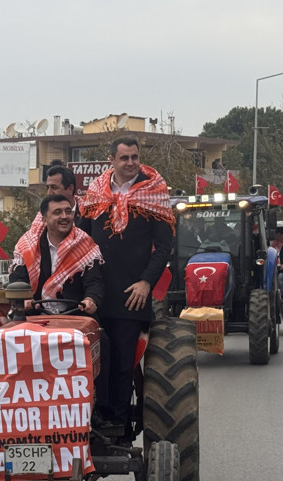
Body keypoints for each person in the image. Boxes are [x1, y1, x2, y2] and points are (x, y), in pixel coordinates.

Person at [78, 136, 174, 436]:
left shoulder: (154, 192)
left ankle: (117, 426)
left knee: (123, 362)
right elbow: (79, 242)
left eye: (134, 157)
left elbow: (164, 246)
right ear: (112, 160)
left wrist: (146, 282)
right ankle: (90, 419)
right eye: (124, 158)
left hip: (132, 294)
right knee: (92, 359)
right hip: (94, 293)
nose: (130, 163)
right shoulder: (95, 194)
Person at [9, 193, 103, 316]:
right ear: (44, 220)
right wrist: (24, 299)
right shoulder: (27, 244)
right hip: (35, 317)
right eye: (57, 212)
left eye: (68, 212)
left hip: (75, 317)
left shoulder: (85, 243)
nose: (64, 217)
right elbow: (18, 278)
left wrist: (90, 299)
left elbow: (94, 282)